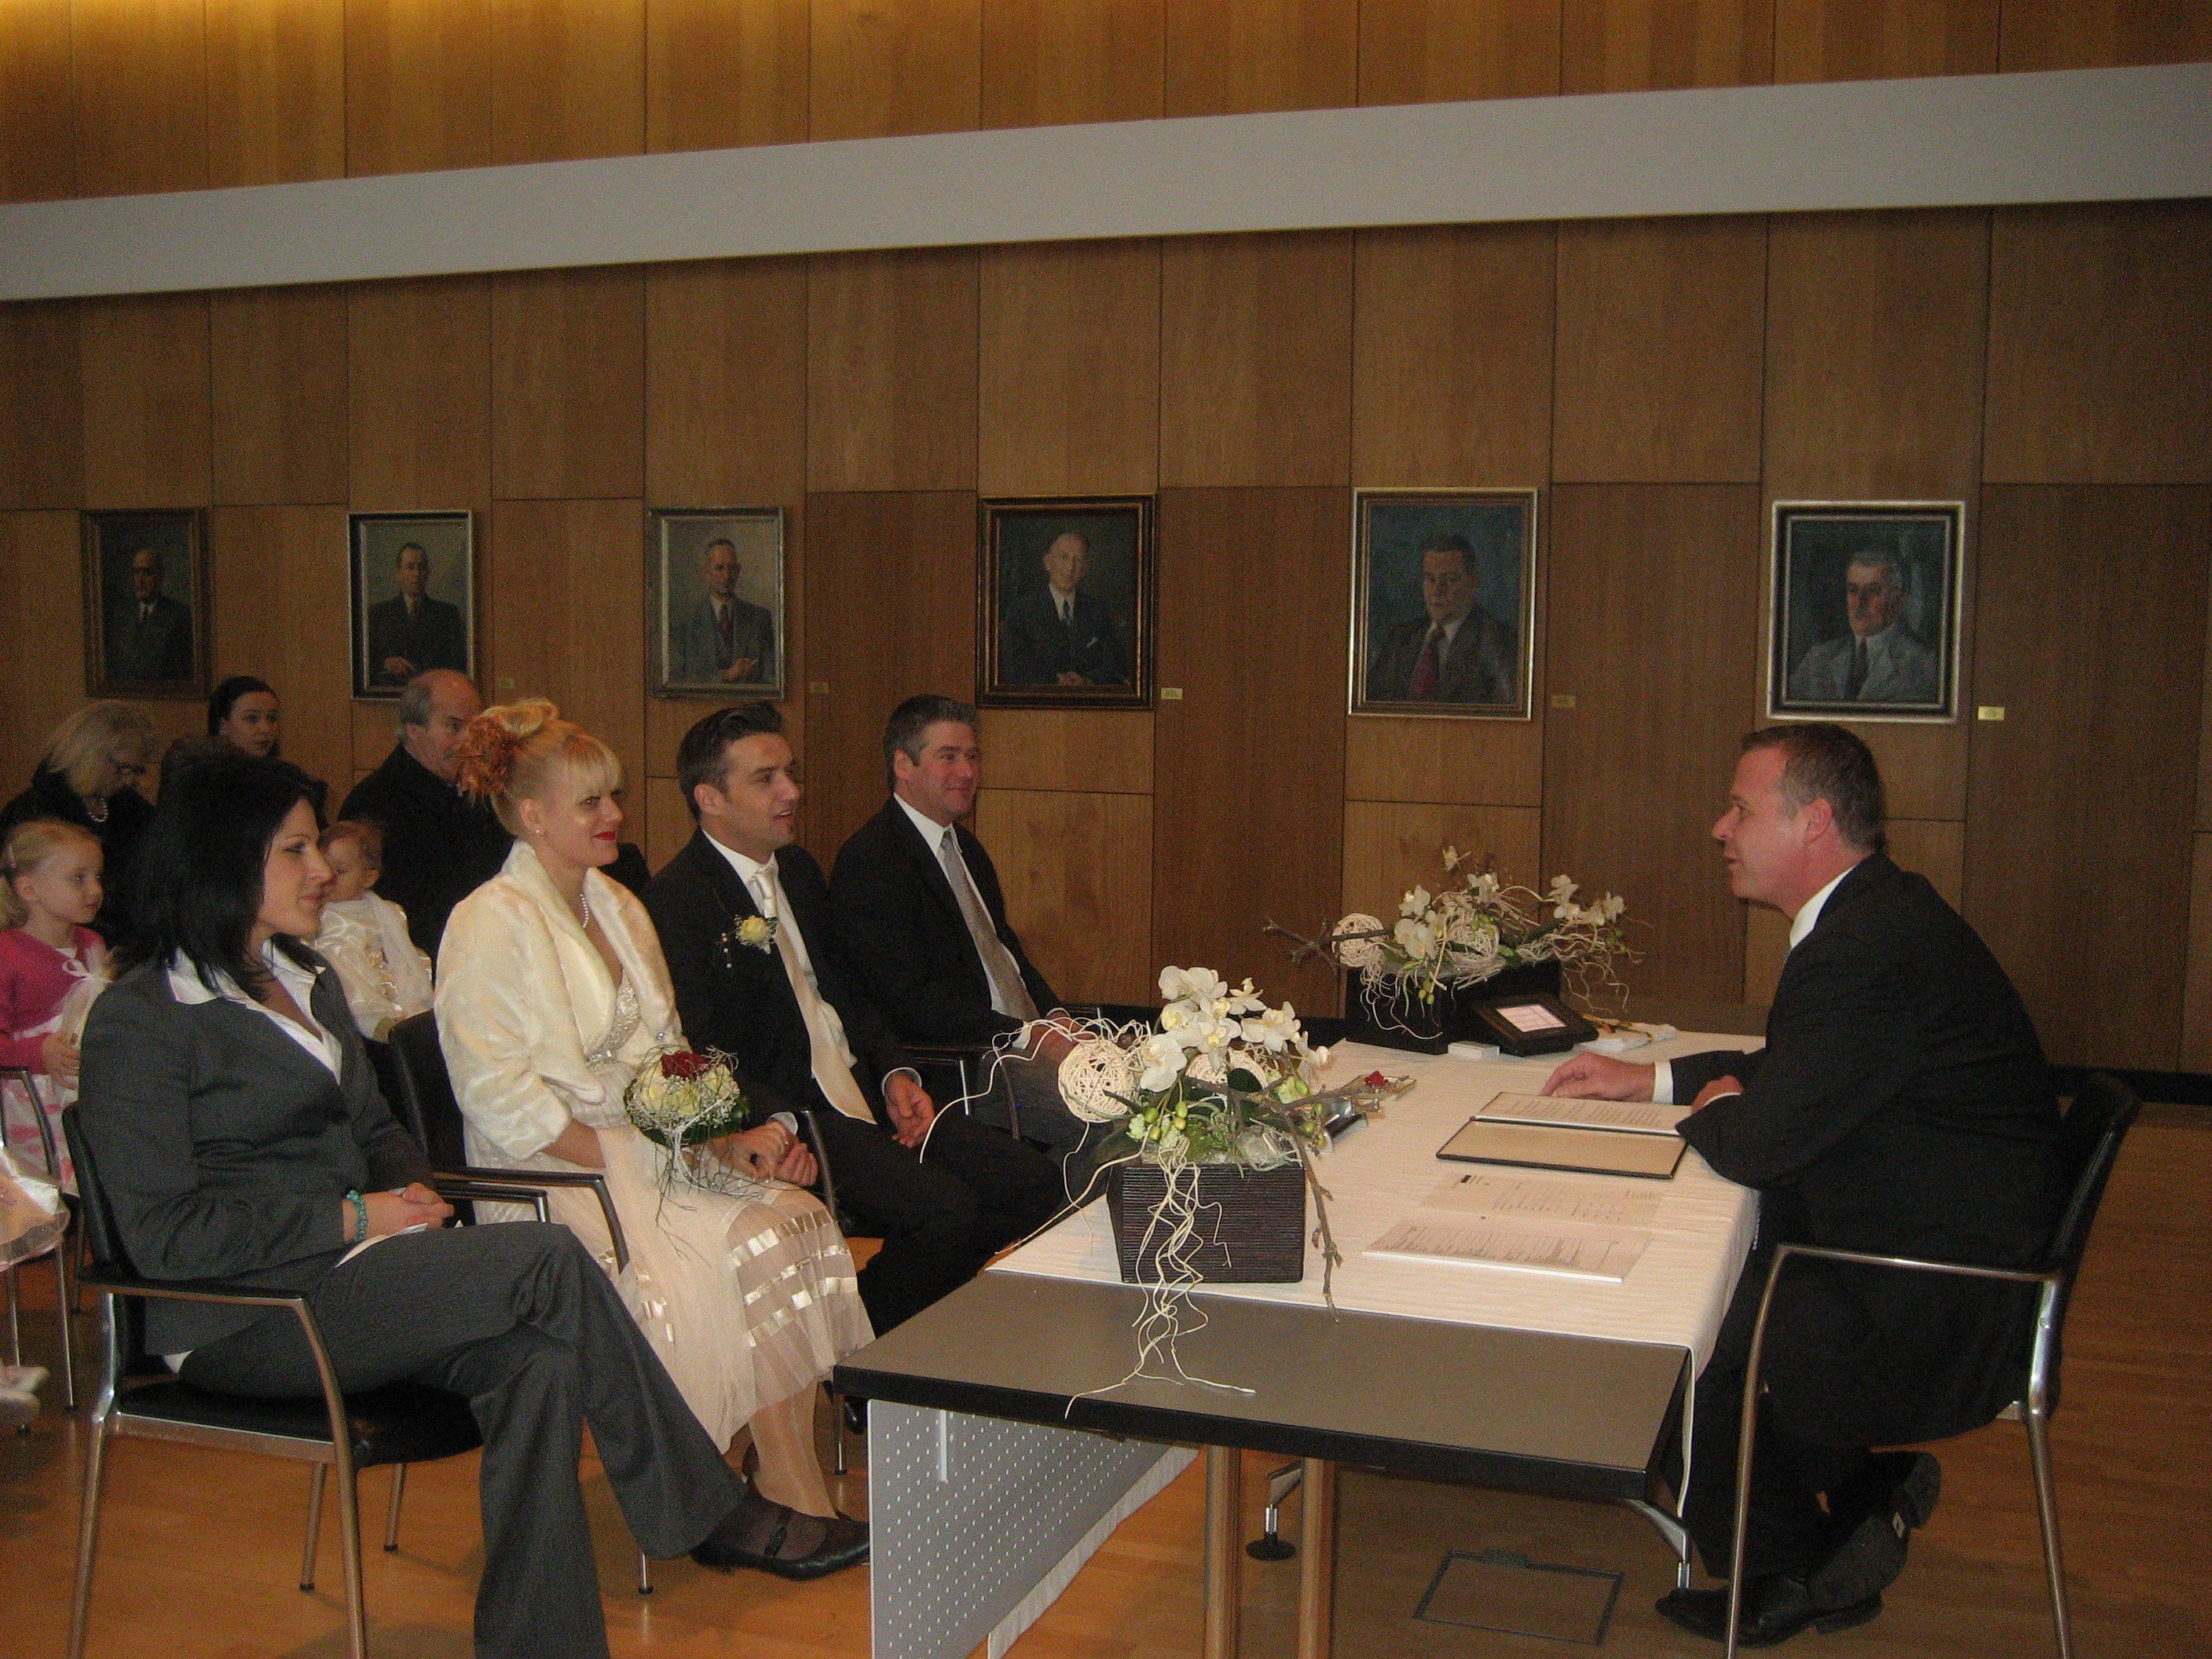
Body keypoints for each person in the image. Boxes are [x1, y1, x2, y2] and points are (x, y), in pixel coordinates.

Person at [75, 753, 799, 1658]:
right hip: (245, 1316)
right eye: (296, 850)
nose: (322, 868)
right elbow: (162, 1237)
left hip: (356, 1280)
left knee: (538, 1363)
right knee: (545, 1255)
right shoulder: (144, 1018)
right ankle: (702, 1506)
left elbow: (374, 1127)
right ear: (222, 861)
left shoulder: (306, 977)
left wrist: (410, 1186)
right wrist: (355, 1218)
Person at [1543, 723, 2064, 1647]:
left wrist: (1711, 1107)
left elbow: (1759, 1141)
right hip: (1935, 1248)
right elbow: (1800, 1069)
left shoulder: (1863, 948)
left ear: (1813, 822)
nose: (1720, 829)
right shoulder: (1876, 916)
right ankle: (1861, 1490)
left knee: (1684, 1327)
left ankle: (1790, 1567)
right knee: (1726, 1271)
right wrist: (1653, 1079)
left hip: (1931, 1299)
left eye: (1740, 809)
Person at [437, 701, 870, 1575]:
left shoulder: (618, 904)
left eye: (614, 797)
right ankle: (754, 1497)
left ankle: (781, 1482)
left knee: (789, 1220)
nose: (615, 815)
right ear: (533, 817)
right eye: (591, 802)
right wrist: (631, 1160)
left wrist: (719, 1138)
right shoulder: (487, 921)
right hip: (552, 1176)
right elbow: (496, 1097)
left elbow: (671, 1054)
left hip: (647, 1151)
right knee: (732, 1254)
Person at [646, 704, 1065, 1337]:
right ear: (710, 797)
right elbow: (697, 1045)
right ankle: (870, 1346)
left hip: (863, 1091)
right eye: (766, 780)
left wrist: (895, 1072)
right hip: (797, 1111)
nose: (792, 792)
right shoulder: (678, 898)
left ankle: (874, 1318)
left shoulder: (798, 871)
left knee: (1030, 1183)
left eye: (790, 773)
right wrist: (775, 1123)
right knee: (944, 1212)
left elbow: (850, 992)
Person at [831, 695, 1099, 1173]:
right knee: (1104, 1113)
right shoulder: (872, 859)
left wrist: (1055, 1016)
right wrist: (1022, 1035)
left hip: (1018, 1042)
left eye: (972, 756)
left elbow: (1005, 951)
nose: (968, 772)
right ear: (903, 765)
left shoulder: (965, 847)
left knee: (1145, 1089)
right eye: (949, 757)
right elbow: (905, 998)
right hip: (967, 1064)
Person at [337, 670, 511, 957]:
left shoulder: (481, 792)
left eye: (475, 729)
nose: (468, 742)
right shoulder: (374, 804)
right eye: (454, 727)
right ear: (413, 729)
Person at [0, 819, 108, 1188]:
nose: (95, 889)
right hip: (35, 1105)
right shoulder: (8, 954)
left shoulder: (92, 943)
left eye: (97, 876)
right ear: (28, 888)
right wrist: (38, 1052)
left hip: (90, 1091)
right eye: (78, 878)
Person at [1, 702, 156, 945]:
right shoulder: (35, 812)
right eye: (122, 769)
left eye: (135, 771)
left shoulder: (132, 808)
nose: (129, 781)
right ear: (90, 755)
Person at [1364, 532, 1518, 706]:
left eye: (1449, 580)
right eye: (1430, 579)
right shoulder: (1402, 638)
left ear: (1472, 583)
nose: (1437, 591)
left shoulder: (1497, 641)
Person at [311, 822, 434, 1042]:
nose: (329, 878)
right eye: (325, 868)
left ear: (369, 878)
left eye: (340, 871)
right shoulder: (320, 916)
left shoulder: (387, 911)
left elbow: (404, 956)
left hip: (394, 990)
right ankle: (376, 1022)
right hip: (354, 1003)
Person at [1786, 553, 1941, 705]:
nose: (1860, 603)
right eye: (1853, 590)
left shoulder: (1923, 665)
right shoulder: (1818, 659)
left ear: (1899, 601)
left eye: (1873, 591)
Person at [999, 529, 1130, 687]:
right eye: (1064, 558)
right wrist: (1056, 681)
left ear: (1085, 568)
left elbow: (1115, 664)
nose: (1070, 568)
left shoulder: (1098, 611)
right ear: (1048, 562)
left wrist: (1087, 681)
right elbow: (1015, 666)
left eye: (1078, 560)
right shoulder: (1022, 610)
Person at [669, 538, 776, 687]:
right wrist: (725, 676)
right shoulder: (684, 621)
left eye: (732, 568)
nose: (727, 576)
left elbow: (771, 678)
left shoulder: (759, 618)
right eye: (719, 568)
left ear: (738, 571)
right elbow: (675, 678)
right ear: (706, 572)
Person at [365, 542, 469, 687]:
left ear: (427, 573)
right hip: (389, 690)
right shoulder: (378, 614)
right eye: (410, 567)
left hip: (433, 692)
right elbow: (364, 661)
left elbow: (458, 664)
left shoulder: (447, 614)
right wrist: (386, 663)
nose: (416, 574)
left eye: (421, 567)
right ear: (399, 573)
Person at [108, 546, 194, 682]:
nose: (140, 580)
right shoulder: (122, 615)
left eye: (147, 572)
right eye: (136, 572)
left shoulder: (179, 616)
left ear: (160, 577)